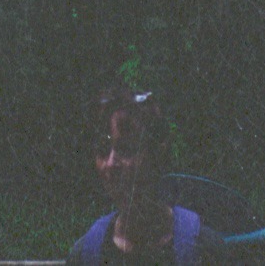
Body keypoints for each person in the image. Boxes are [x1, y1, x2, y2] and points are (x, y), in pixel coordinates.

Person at [68, 88, 222, 265]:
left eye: (126, 149)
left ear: (156, 155)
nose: (111, 164)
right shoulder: (85, 256)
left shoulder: (203, 250)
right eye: (103, 150)